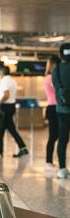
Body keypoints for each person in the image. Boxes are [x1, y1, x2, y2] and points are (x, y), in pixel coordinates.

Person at [0, 66, 28, 157]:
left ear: (3, 72)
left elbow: (6, 95)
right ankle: (22, 148)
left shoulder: (4, 80)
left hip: (5, 107)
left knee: (2, 129)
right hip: (12, 106)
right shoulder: (12, 80)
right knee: (8, 128)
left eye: (0, 72)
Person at [52, 43, 70, 179]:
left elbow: (57, 89)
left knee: (63, 139)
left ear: (60, 55)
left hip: (61, 109)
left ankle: (62, 169)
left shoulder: (55, 70)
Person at [44, 56, 61, 171]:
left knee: (57, 135)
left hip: (54, 107)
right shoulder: (50, 78)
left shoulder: (49, 77)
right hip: (53, 107)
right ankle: (48, 161)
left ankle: (50, 161)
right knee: (53, 136)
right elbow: (58, 91)